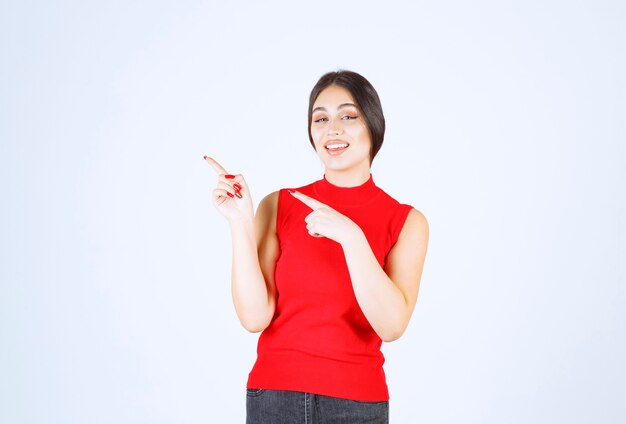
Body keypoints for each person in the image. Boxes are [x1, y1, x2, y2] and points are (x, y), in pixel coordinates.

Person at [204, 70, 429, 423]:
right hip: (273, 397)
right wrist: (239, 223)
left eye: (348, 116)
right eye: (320, 118)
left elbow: (391, 326)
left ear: (373, 124)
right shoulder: (279, 204)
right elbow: (254, 317)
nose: (332, 129)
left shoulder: (406, 221)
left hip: (357, 404)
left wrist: (352, 238)